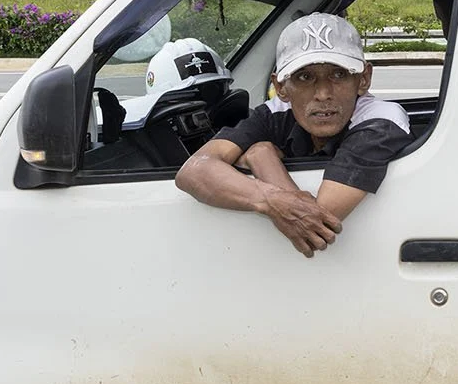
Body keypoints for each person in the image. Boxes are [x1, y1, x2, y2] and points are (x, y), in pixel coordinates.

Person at [176, 13, 414, 256]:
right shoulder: (276, 113)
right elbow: (193, 170)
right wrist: (269, 199)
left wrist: (261, 156)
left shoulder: (381, 122)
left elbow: (318, 223)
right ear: (281, 88)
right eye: (305, 77)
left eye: (339, 74)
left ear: (363, 79)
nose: (322, 93)